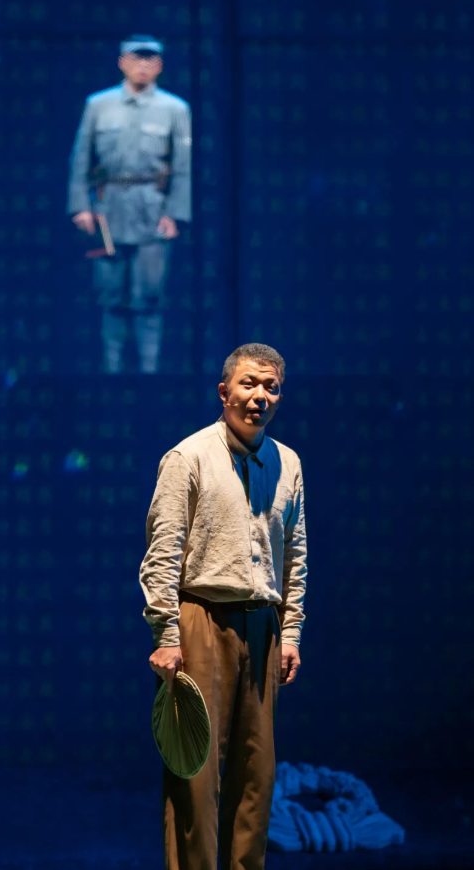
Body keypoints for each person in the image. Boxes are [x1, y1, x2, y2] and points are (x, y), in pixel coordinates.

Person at [139, 343, 308, 870]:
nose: (260, 396)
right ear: (224, 391)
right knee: (196, 771)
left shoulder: (287, 462)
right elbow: (162, 554)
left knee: (257, 775)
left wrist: (291, 633)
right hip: (202, 620)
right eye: (249, 384)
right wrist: (167, 635)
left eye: (270, 387)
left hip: (263, 626)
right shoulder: (188, 457)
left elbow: (294, 554)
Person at [67, 34, 192, 374]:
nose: (143, 65)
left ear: (160, 66)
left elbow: (182, 167)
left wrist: (174, 214)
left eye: (150, 59)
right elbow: (81, 158)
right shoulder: (99, 104)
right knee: (109, 295)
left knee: (149, 295)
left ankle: (150, 372)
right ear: (122, 63)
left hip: (152, 208)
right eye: (136, 58)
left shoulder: (175, 109)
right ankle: (112, 372)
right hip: (108, 209)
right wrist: (80, 206)